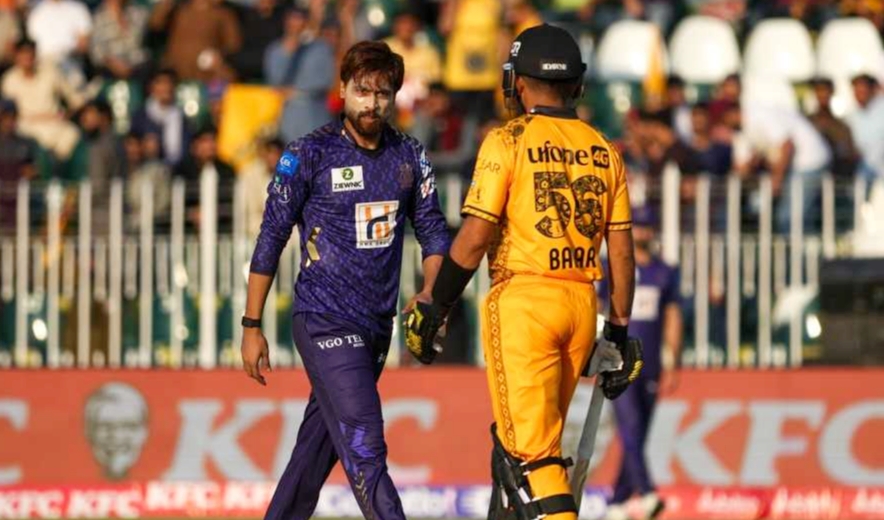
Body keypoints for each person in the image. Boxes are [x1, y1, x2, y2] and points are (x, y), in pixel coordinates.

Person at [402, 24, 642, 520]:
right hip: (581, 307)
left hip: (524, 304)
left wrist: (436, 306)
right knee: (518, 447)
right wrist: (618, 332)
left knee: (530, 459)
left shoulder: (508, 139)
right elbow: (621, 255)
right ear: (577, 84)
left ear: (516, 82)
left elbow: (474, 238)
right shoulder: (604, 148)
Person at [239, 41, 450, 520]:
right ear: (342, 90)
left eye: (382, 93)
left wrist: (430, 293)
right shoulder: (309, 153)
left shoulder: (409, 155)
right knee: (365, 442)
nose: (372, 103)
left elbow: (434, 233)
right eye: (362, 91)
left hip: (376, 325)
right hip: (324, 319)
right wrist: (252, 324)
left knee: (313, 456)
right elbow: (271, 237)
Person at [597, 206, 682, 520]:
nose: (643, 232)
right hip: (618, 361)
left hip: (651, 363)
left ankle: (617, 502)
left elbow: (673, 317)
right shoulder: (614, 267)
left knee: (639, 434)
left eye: (648, 226)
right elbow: (598, 308)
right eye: (639, 226)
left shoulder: (664, 272)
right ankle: (646, 493)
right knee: (630, 426)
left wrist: (672, 361)